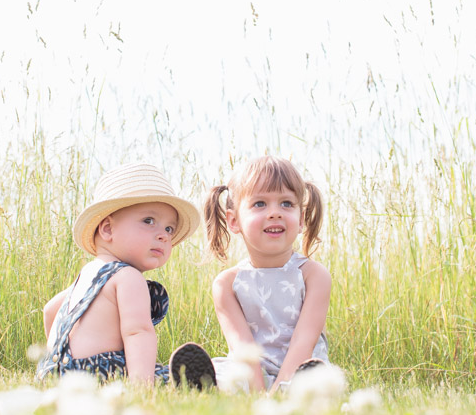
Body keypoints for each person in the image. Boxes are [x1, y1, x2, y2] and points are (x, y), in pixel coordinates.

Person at [36, 162, 216, 388]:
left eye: (169, 229)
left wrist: (58, 363)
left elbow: (50, 310)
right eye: (149, 221)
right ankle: (191, 382)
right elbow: (137, 331)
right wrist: (142, 386)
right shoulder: (128, 277)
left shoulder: (87, 274)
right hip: (100, 375)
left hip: (58, 376)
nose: (163, 235)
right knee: (165, 377)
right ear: (108, 229)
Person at [204, 156, 331, 392]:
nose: (275, 213)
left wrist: (279, 390)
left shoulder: (313, 275)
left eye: (286, 204)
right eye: (260, 204)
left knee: (313, 381)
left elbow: (305, 341)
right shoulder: (227, 284)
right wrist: (259, 393)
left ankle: (293, 390)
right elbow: (243, 349)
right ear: (234, 221)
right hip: (252, 371)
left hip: (300, 367)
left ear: (301, 219)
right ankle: (202, 382)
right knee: (226, 373)